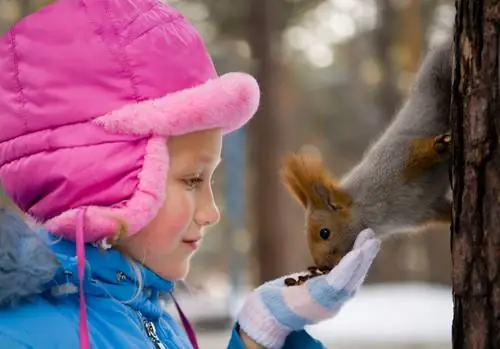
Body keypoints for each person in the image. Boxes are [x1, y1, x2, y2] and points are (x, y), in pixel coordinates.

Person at [0, 0, 381, 348]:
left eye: (209, 180)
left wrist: (261, 332)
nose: (212, 212)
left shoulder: (143, 312)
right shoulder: (23, 336)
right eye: (192, 180)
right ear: (103, 178)